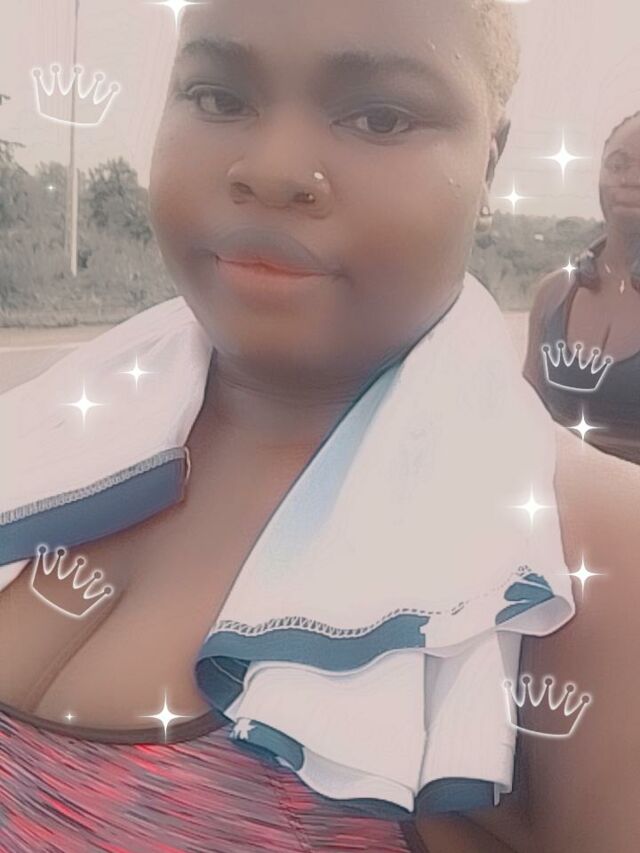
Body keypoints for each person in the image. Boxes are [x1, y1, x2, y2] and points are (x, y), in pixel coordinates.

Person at [0, 2, 638, 852]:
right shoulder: (45, 435)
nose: (272, 170)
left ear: (489, 161)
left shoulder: (582, 564)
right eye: (219, 97)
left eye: (381, 117)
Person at [523, 110, 640, 465]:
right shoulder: (555, 293)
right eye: (617, 165)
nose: (630, 178)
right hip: (555, 496)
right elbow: (524, 421)